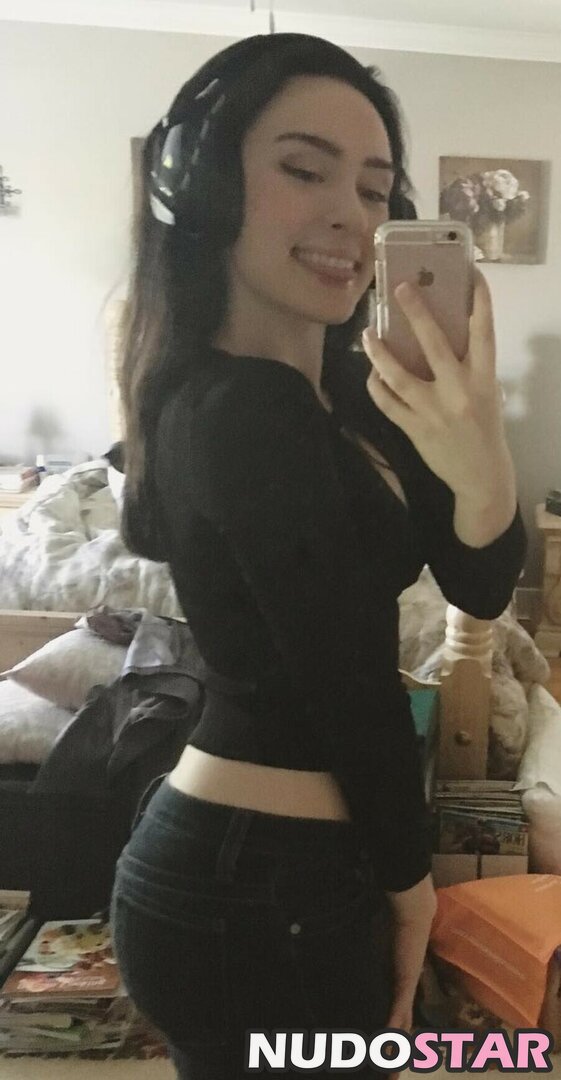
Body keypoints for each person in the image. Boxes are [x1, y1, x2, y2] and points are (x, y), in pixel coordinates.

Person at [109, 33, 526, 1078]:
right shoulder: (236, 407)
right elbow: (349, 682)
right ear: (205, 190)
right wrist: (412, 884)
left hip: (285, 872)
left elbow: (479, 584)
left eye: (376, 189)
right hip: (257, 884)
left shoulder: (352, 395)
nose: (353, 213)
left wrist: (483, 457)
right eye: (305, 170)